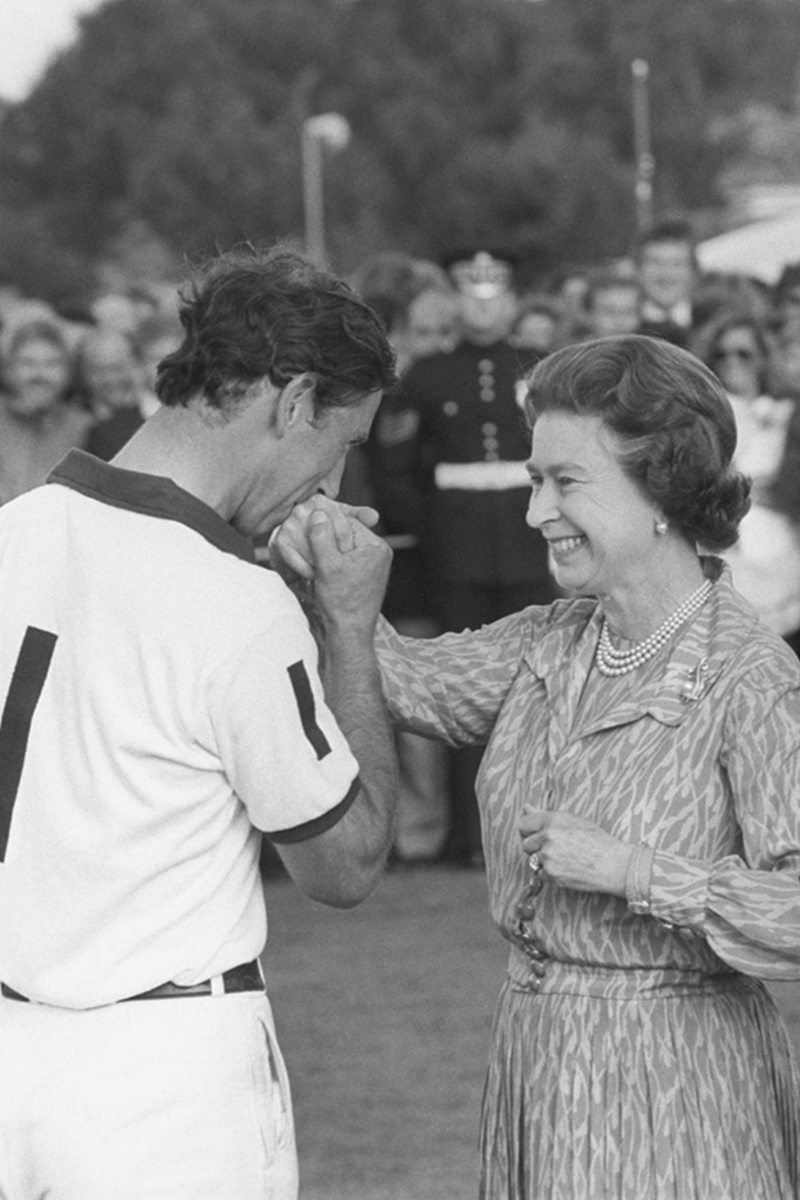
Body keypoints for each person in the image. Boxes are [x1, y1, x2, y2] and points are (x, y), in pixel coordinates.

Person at [274, 333, 800, 1199]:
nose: (535, 513)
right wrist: (319, 570)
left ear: (662, 486)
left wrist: (633, 870)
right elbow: (401, 681)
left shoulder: (751, 675)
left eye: (566, 482)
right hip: (539, 1059)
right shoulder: (550, 641)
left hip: (681, 1088)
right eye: (533, 481)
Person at [0, 243, 399, 1200]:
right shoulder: (232, 602)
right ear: (294, 401)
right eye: (341, 444)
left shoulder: (12, 530)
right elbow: (344, 864)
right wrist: (346, 625)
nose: (331, 483)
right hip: (166, 1071)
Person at [385, 249, 558, 866]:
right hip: (455, 551)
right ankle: (468, 836)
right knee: (462, 698)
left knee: (536, 692)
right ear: (454, 299)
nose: (483, 301)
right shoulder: (428, 376)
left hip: (530, 544)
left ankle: (532, 831)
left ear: (513, 298)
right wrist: (433, 530)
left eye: (495, 288)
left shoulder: (541, 368)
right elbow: (395, 466)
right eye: (470, 289)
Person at [693, 306, 800, 648]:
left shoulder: (790, 411)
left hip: (787, 552)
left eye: (743, 353)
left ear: (763, 357)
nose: (732, 361)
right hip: (731, 556)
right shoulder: (703, 416)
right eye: (721, 354)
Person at [0, 314, 92, 505]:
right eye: (28, 363)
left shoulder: (85, 428)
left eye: (51, 364)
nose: (40, 374)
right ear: (8, 370)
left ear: (68, 373)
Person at [635, 217, 699, 347]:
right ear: (638, 270)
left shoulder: (710, 325)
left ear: (694, 272)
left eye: (677, 264)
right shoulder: (624, 330)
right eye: (656, 263)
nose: (666, 274)